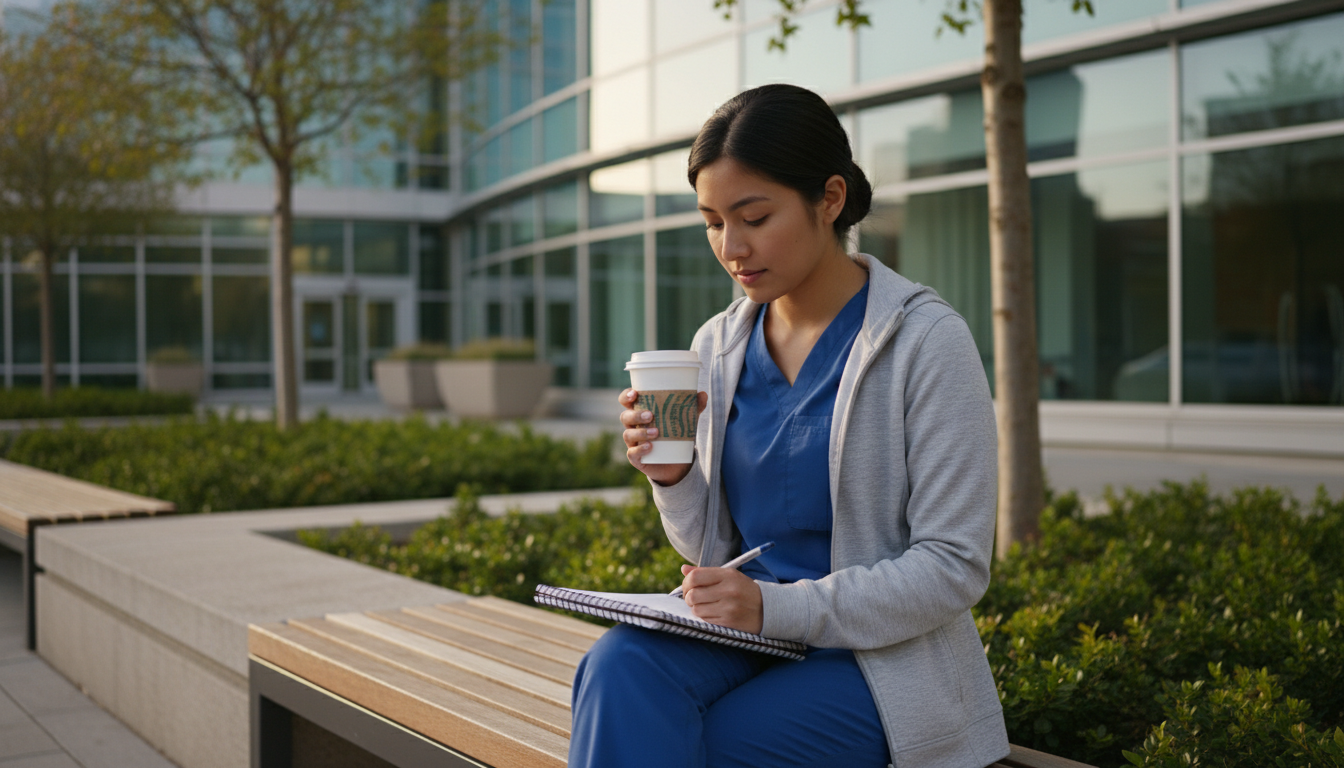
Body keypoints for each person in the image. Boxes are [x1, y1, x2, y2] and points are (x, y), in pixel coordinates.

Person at [568, 83, 1010, 768]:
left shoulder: (925, 342)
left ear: (829, 199)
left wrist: (777, 610)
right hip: (746, 635)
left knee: (717, 746)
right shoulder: (717, 345)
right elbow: (711, 545)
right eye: (713, 222)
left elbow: (954, 567)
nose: (731, 247)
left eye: (753, 216)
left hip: (877, 660)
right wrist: (673, 476)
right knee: (618, 668)